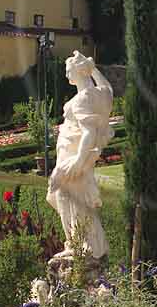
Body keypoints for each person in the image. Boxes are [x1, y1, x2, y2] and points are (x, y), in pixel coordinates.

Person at [47, 50, 114, 260]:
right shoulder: (98, 93)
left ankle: (80, 244)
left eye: (69, 71)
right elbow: (109, 89)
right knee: (74, 198)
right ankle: (85, 244)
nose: (67, 75)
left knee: (63, 195)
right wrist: (94, 69)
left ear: (78, 71)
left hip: (74, 156)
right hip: (75, 155)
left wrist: (78, 159)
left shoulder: (83, 99)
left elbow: (89, 131)